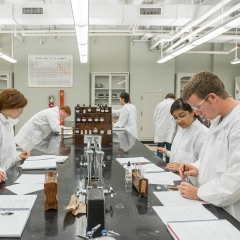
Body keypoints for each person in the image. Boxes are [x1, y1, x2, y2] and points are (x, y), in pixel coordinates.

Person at [178, 71, 240, 222]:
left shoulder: (237, 123)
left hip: (231, 211)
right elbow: (211, 155)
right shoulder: (217, 119)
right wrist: (197, 167)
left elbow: (236, 181)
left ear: (213, 97)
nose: (197, 113)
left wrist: (199, 193)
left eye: (198, 106)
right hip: (213, 204)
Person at [157, 98, 208, 171]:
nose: (178, 121)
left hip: (190, 179)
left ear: (192, 112)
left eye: (182, 116)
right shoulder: (182, 129)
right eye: (175, 118)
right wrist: (168, 153)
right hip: (177, 175)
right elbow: (183, 154)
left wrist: (182, 167)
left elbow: (204, 163)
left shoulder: (202, 133)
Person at [0, 88, 30, 182]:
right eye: (20, 109)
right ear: (10, 106)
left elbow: (5, 151)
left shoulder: (7, 122)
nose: (21, 112)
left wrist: (18, 156)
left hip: (6, 175)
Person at [153, 93, 176, 163]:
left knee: (160, 149)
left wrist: (156, 129)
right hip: (171, 130)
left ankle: (159, 165)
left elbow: (154, 118)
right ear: (173, 98)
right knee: (169, 151)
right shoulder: (174, 103)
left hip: (160, 130)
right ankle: (168, 166)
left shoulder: (159, 105)